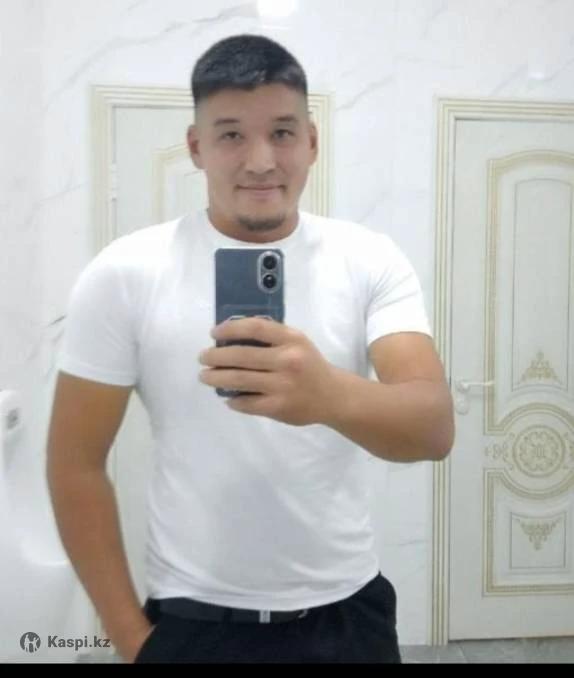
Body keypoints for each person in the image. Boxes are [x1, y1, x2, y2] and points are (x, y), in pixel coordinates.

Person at [46, 34, 454, 664]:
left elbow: (432, 429)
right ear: (196, 147)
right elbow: (74, 462)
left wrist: (327, 395)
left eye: (283, 133)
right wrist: (131, 640)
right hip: (193, 621)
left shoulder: (369, 259)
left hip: (348, 618)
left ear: (311, 141)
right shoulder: (125, 272)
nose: (261, 161)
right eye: (232, 134)